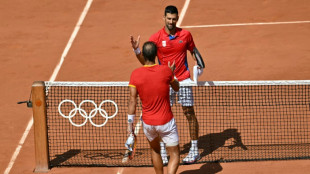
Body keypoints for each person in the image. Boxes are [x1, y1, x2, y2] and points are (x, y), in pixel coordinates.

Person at [130, 5, 202, 164]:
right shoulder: (156, 38)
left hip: (183, 80)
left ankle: (195, 150)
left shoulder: (186, 34)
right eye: (168, 19)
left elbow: (193, 50)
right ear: (164, 18)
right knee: (161, 116)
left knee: (189, 113)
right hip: (164, 81)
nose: (171, 22)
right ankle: (162, 152)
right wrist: (137, 51)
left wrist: (199, 64)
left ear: (177, 19)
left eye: (174, 19)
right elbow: (147, 62)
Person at [126, 41, 180, 174]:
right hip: (166, 122)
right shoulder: (166, 71)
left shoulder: (135, 74)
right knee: (174, 153)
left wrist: (130, 124)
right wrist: (171, 73)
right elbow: (176, 87)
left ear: (143, 55)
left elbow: (133, 100)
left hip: (148, 124)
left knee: (155, 150)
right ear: (156, 54)